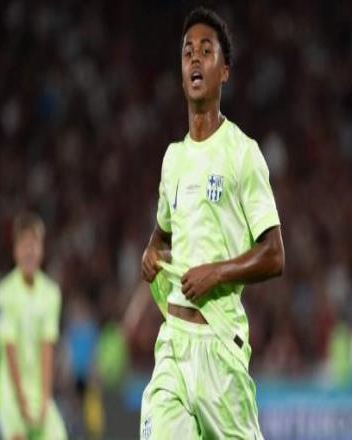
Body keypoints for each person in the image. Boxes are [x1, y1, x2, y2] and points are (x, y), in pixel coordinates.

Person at [139, 7, 284, 439]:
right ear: (182, 72)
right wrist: (151, 252)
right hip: (173, 342)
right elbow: (162, 232)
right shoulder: (173, 159)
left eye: (206, 50)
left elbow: (274, 255)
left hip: (219, 346)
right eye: (188, 52)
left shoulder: (243, 153)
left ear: (225, 72)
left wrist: (216, 273)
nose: (195, 59)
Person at [0, 212, 67, 440]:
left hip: (39, 394)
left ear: (42, 250)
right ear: (15, 251)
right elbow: (9, 348)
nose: (29, 251)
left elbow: (47, 348)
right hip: (11, 394)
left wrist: (44, 400)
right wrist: (22, 403)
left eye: (34, 245)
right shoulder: (4, 293)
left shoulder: (51, 293)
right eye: (24, 245)